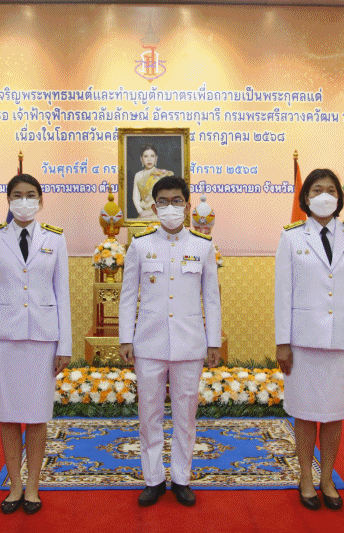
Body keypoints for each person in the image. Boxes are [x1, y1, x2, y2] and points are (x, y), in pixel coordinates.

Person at [274, 168, 344, 511]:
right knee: (304, 413)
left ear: (339, 197)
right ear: (306, 197)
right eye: (317, 189)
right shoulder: (291, 237)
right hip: (303, 343)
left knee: (334, 413)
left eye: (331, 190)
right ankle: (305, 477)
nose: (325, 195)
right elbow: (283, 294)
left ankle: (327, 478)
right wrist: (282, 342)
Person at [119, 176, 222, 508]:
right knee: (149, 415)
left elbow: (212, 298)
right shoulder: (140, 245)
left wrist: (213, 342)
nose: (170, 207)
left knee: (185, 416)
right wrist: (125, 338)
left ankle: (181, 478)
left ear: (188, 206)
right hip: (148, 344)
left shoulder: (203, 246)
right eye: (163, 201)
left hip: (189, 344)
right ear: (154, 207)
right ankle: (153, 480)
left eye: (177, 201)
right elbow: (127, 296)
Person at [0, 174, 71, 516]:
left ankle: (33, 486)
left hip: (43, 339)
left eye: (31, 195)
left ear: (41, 201)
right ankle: (14, 485)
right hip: (3, 339)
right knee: (8, 414)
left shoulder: (55, 238)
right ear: (8, 200)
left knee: (37, 415)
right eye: (17, 195)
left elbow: (62, 293)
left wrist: (64, 344)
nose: (24, 201)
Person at [132, 144, 174, 218]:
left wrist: (151, 212)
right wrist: (141, 211)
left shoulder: (162, 174)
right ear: (141, 159)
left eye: (152, 156)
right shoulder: (138, 175)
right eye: (146, 156)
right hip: (143, 214)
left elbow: (166, 198)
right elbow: (136, 198)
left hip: (159, 213)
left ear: (156, 158)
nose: (149, 159)